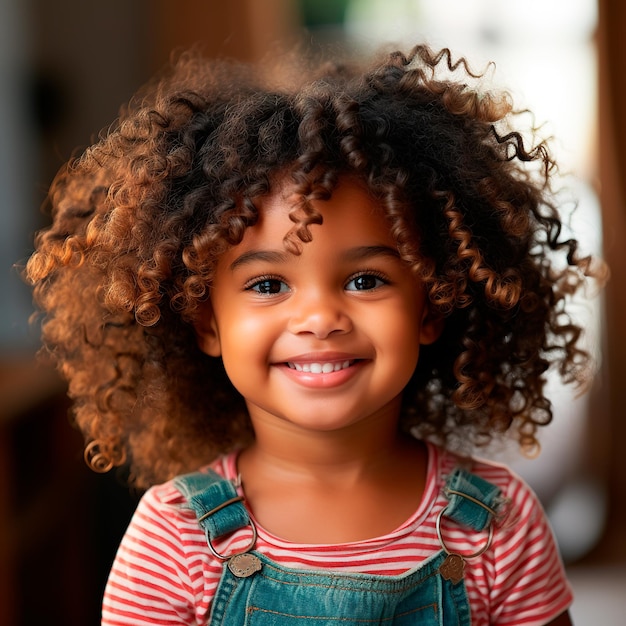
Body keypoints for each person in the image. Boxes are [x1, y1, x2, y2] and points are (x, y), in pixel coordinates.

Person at [25, 43, 604, 625]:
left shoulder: (496, 524)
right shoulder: (175, 537)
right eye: (269, 285)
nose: (320, 317)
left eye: (364, 278)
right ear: (207, 323)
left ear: (431, 305)